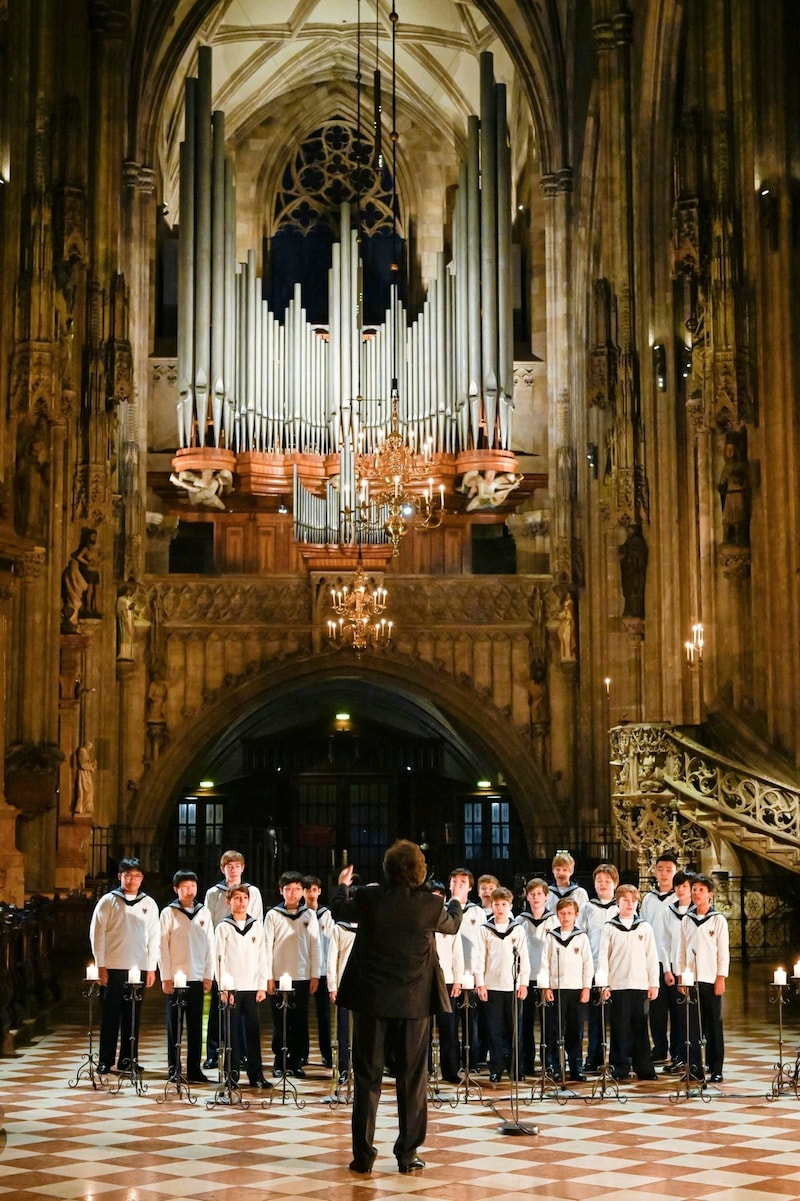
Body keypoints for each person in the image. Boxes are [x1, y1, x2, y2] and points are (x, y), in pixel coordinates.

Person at [331, 840, 466, 1176]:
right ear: (420, 871)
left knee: (367, 1080)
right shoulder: (429, 905)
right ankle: (407, 1155)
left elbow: (338, 910)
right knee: (411, 1080)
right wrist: (455, 900)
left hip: (371, 1002)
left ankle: (363, 1157)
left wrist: (342, 886)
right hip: (413, 1004)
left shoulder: (369, 897)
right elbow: (453, 923)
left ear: (387, 868)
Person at [89, 857, 160, 1075]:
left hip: (137, 968)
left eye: (137, 876)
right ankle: (105, 1059)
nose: (132, 880)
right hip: (112, 966)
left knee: (133, 1015)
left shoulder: (148, 903)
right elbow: (97, 934)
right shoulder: (108, 901)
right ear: (120, 876)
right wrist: (101, 965)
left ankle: (128, 1059)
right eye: (128, 875)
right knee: (110, 1015)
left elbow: (154, 937)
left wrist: (151, 967)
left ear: (142, 879)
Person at [204, 850, 264, 1070]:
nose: (233, 869)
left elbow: (257, 919)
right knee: (217, 1009)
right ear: (223, 869)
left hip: (245, 954)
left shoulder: (252, 892)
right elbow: (208, 922)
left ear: (242, 868)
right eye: (229, 866)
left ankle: (244, 1055)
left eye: (237, 865)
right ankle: (213, 1052)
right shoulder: (213, 893)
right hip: (222, 951)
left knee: (246, 1015)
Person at [596, 884, 659, 1081]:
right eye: (625, 900)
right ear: (618, 902)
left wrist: (654, 983)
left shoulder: (644, 927)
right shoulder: (609, 927)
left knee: (640, 1027)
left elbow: (651, 956)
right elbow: (603, 958)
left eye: (633, 901)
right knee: (619, 1027)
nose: (630, 904)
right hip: (618, 984)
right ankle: (619, 1066)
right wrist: (603, 984)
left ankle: (644, 1066)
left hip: (640, 984)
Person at [264, 870, 321, 1078]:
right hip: (279, 975)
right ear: (281, 891)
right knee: (280, 1021)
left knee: (300, 1021)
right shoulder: (273, 915)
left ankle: (297, 1061)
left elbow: (316, 947)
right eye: (289, 889)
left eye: (297, 889)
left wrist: (315, 974)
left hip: (302, 975)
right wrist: (268, 977)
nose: (293, 893)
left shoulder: (309, 915)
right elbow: (266, 947)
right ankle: (280, 1061)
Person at [214, 883, 272, 1089]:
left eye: (245, 898)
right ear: (229, 901)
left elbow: (262, 956)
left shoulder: (256, 925)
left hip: (251, 986)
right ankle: (232, 1075)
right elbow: (218, 959)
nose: (242, 902)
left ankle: (256, 1075)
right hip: (232, 988)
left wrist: (261, 985)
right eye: (237, 898)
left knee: (253, 1033)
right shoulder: (223, 927)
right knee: (232, 1033)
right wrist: (223, 987)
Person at [158, 869, 214, 1083]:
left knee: (195, 1025)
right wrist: (166, 976)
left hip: (197, 976)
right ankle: (174, 1068)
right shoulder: (168, 913)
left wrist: (208, 975)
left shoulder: (204, 913)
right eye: (185, 887)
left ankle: (194, 1069)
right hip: (175, 977)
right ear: (176, 889)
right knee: (175, 1025)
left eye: (193, 886)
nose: (189, 890)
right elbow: (162, 946)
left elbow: (210, 944)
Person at [474, 886, 530, 1083]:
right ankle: (496, 1068)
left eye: (504, 904)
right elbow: (480, 958)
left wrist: (523, 983)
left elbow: (524, 958)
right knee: (494, 1030)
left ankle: (516, 1068)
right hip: (492, 987)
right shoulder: (485, 929)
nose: (500, 908)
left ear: (510, 906)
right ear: (491, 906)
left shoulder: (518, 929)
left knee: (515, 1029)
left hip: (513, 987)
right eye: (496, 904)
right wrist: (480, 983)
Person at [677, 874, 729, 1083]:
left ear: (710, 895)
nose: (696, 893)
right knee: (692, 1026)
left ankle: (716, 1068)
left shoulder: (718, 920)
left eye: (701, 890)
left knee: (714, 1025)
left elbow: (723, 952)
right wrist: (682, 975)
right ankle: (695, 1067)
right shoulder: (687, 920)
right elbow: (681, 950)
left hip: (710, 978)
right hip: (691, 980)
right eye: (694, 889)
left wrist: (720, 977)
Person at [538, 898, 593, 1081]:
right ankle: (554, 1065)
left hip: (576, 990)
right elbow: (545, 964)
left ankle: (576, 1065)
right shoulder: (551, 937)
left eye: (569, 913)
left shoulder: (581, 937)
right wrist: (545, 987)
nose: (566, 917)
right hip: (556, 989)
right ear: (557, 915)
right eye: (562, 913)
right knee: (555, 1030)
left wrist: (586, 988)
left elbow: (588, 965)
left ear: (576, 915)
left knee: (575, 1030)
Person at [578, 863, 619, 1071]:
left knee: (619, 1017)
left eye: (607, 881)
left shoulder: (620, 906)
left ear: (615, 883)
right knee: (595, 1017)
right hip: (595, 968)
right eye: (599, 881)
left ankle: (620, 1058)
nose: (603, 885)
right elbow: (581, 937)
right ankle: (593, 1058)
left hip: (618, 968)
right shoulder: (587, 908)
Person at [639, 852, 678, 1063]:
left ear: (675, 872)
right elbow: (644, 927)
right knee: (656, 1008)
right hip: (654, 961)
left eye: (669, 870)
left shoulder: (679, 898)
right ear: (654, 871)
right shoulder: (649, 898)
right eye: (661, 870)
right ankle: (660, 1047)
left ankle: (678, 1050)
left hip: (674, 960)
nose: (664, 874)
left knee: (678, 1008)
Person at [516, 877, 557, 1075]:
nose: (536, 897)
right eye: (532, 894)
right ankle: (527, 1062)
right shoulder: (520, 920)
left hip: (545, 979)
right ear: (527, 897)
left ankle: (548, 1062)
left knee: (548, 1023)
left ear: (546, 897)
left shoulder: (554, 920)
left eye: (539, 894)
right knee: (526, 1023)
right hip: (526, 978)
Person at [660, 869, 695, 1075]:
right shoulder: (669, 911)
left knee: (691, 1017)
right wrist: (667, 968)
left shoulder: (698, 911)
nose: (681, 890)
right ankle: (678, 1057)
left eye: (685, 886)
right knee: (676, 1016)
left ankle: (694, 1058)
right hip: (674, 970)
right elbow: (664, 942)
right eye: (678, 886)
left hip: (693, 972)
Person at [429, 880, 464, 1084]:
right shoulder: (422, 918)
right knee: (423, 1029)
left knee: (448, 1028)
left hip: (448, 980)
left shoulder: (449, 920)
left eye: (439, 896)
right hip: (425, 980)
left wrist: (458, 980)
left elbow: (457, 954)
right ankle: (424, 1069)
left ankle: (450, 1070)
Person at [301, 874, 333, 1068]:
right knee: (302, 1014)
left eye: (314, 889)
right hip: (305, 970)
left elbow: (328, 942)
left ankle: (327, 1053)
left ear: (319, 891)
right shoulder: (301, 914)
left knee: (324, 1015)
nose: (311, 893)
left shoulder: (325, 914)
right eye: (308, 890)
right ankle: (302, 1054)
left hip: (322, 972)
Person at [328, 915, 358, 1085]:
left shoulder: (372, 924)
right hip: (344, 984)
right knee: (344, 1030)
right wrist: (332, 986)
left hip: (367, 986)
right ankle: (344, 1069)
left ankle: (362, 1069)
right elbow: (332, 958)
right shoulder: (340, 928)